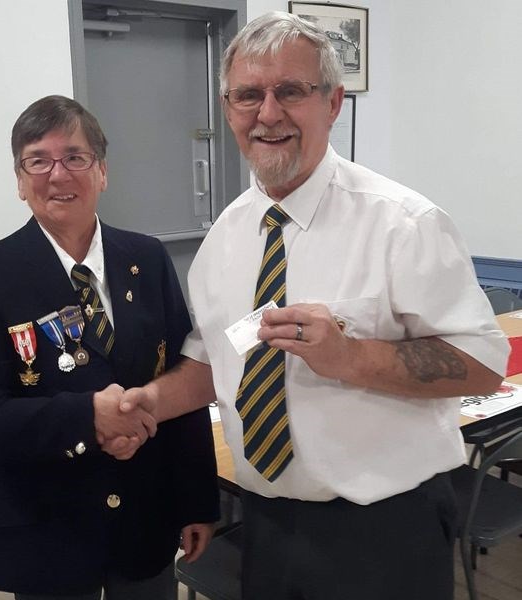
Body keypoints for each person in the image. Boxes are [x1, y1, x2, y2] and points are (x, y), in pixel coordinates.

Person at [105, 11, 511, 600]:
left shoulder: (404, 223)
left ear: (334, 103)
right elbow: (213, 360)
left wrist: (352, 356)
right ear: (227, 108)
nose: (267, 114)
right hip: (267, 523)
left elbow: (481, 363)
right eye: (248, 95)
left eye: (290, 91)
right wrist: (149, 402)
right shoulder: (225, 236)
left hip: (386, 529)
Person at [0, 95, 219, 600]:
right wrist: (87, 420)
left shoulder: (147, 256)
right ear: (20, 179)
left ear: (102, 172)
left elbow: (185, 379)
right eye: (38, 160)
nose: (58, 174)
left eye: (75, 157)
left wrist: (197, 499)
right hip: (48, 525)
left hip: (146, 515)